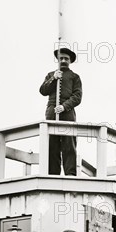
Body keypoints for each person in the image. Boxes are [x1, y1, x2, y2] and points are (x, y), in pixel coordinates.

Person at [39, 47, 82, 176]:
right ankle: (53, 175)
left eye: (66, 59)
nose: (63, 60)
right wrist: (53, 79)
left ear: (70, 61)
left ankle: (70, 175)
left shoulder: (75, 77)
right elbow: (43, 91)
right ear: (57, 59)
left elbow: (77, 96)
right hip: (52, 113)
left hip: (67, 113)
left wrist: (64, 106)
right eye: (61, 58)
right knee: (52, 145)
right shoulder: (50, 74)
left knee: (69, 144)